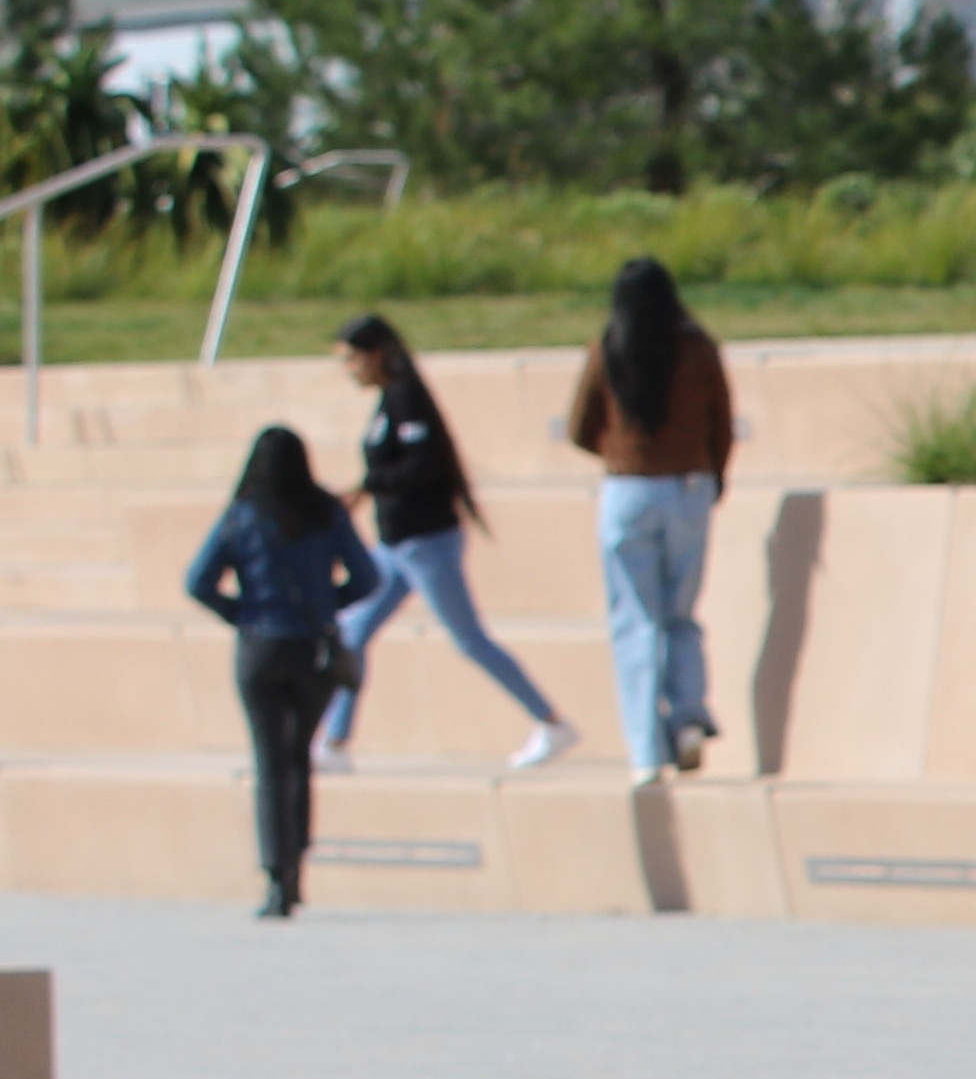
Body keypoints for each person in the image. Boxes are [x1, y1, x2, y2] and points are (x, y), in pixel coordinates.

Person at [324, 314, 569, 773]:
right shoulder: (386, 402)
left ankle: (550, 720)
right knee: (352, 633)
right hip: (395, 547)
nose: (349, 370)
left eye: (351, 359)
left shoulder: (406, 398)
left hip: (426, 542)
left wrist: (370, 484)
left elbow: (422, 465)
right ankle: (333, 743)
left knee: (469, 639)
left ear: (374, 354)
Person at [184, 425, 383, 921]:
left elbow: (198, 581)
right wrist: (324, 606)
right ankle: (297, 871)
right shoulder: (326, 512)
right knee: (299, 759)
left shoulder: (243, 516)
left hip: (260, 649)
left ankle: (275, 876)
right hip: (311, 649)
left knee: (269, 764)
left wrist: (242, 613)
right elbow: (367, 577)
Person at [563, 255, 736, 775]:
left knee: (635, 620)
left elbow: (578, 426)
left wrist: (623, 454)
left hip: (627, 490)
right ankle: (687, 714)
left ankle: (643, 749)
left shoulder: (609, 347)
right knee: (680, 612)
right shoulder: (697, 347)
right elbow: (721, 422)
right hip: (688, 487)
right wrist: (713, 476)